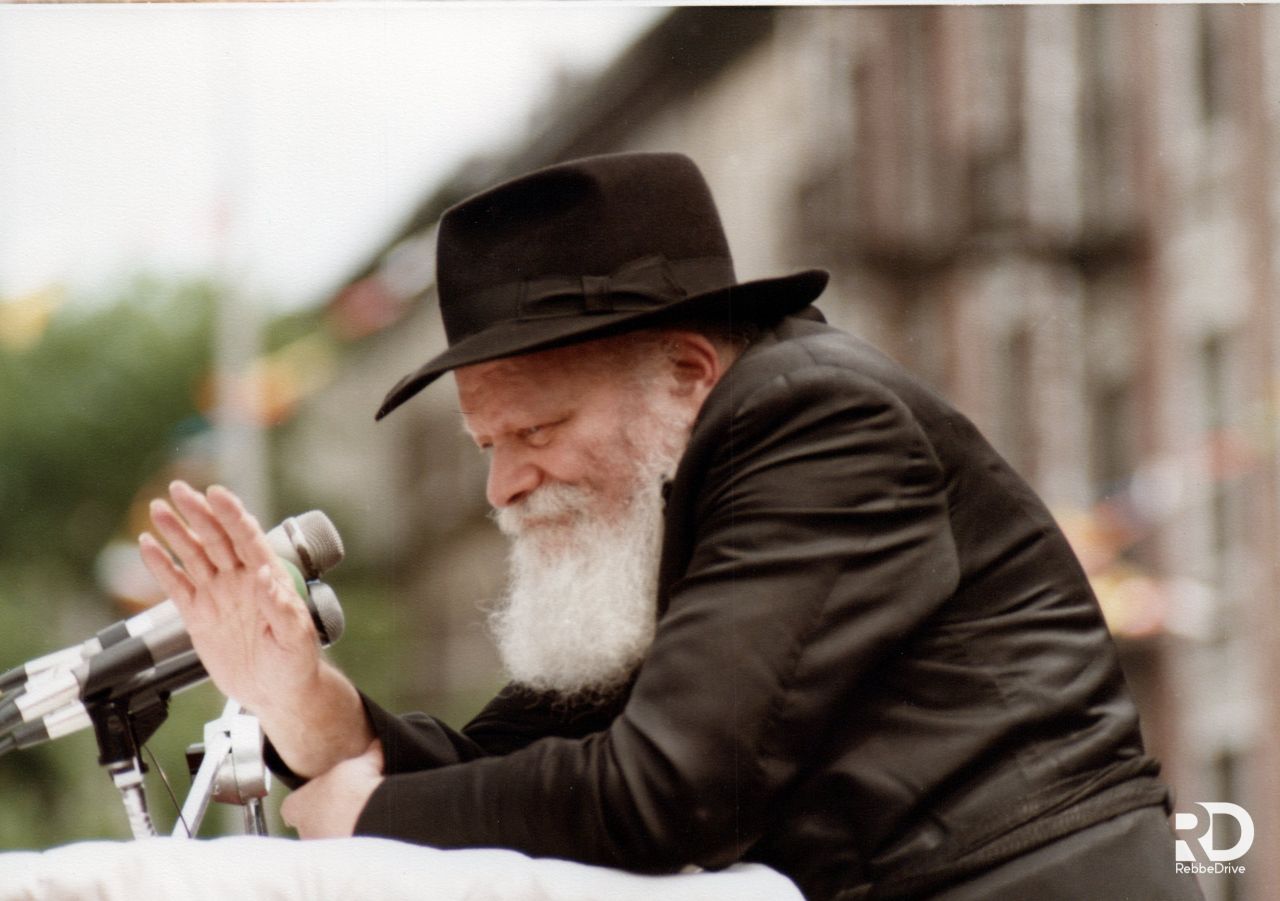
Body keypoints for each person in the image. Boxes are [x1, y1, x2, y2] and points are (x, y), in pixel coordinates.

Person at [138, 152, 1202, 900]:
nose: (502, 487)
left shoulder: (815, 422)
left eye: (537, 430)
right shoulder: (677, 487)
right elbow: (515, 761)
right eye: (486, 444)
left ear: (687, 372)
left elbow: (665, 793)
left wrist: (369, 820)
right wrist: (301, 700)